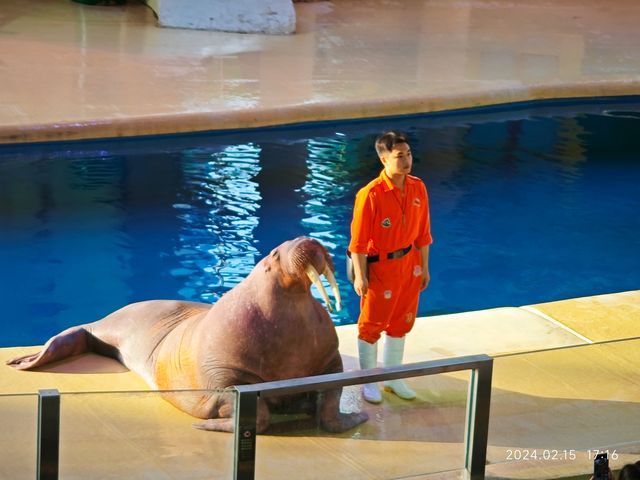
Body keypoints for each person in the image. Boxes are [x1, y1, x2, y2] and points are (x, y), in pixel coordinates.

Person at [348, 131, 432, 403]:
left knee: (402, 321)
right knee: (371, 324)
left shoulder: (418, 187)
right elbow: (358, 244)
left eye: (408, 154)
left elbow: (424, 235)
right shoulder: (370, 195)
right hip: (381, 267)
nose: (406, 161)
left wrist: (425, 268)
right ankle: (368, 381)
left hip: (410, 264)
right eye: (399, 156)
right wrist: (361, 277)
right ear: (384, 159)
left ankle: (393, 377)